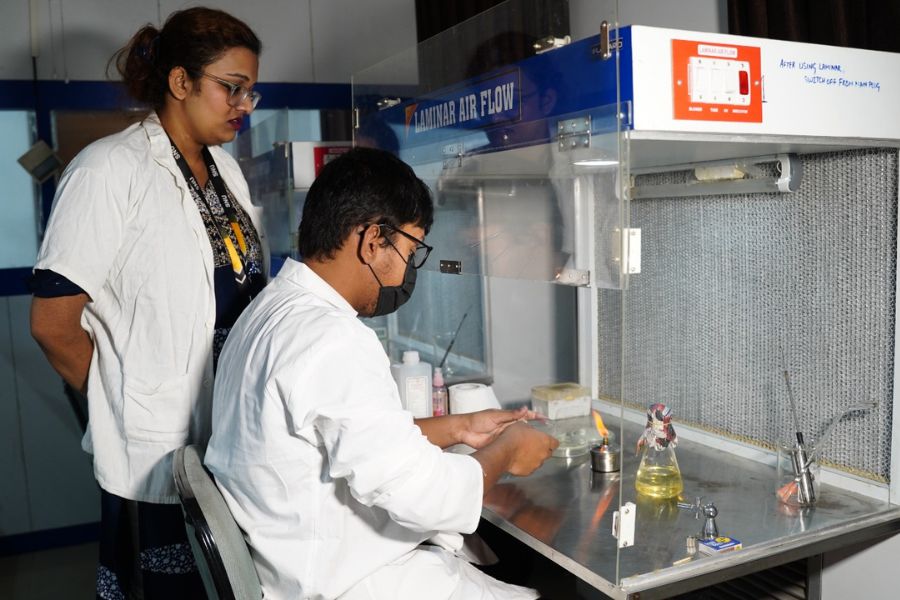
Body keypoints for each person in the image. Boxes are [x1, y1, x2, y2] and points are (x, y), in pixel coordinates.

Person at [205, 147, 559, 599]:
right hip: (352, 583)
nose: (409, 270)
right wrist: (509, 451)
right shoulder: (330, 338)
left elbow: (335, 439)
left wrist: (458, 427)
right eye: (411, 250)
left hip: (301, 564)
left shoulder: (271, 311)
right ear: (373, 241)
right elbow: (426, 497)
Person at [29, 7, 266, 599]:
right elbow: (54, 324)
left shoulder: (228, 174)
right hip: (152, 450)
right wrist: (119, 401)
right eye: (232, 88)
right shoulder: (109, 169)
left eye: (250, 92)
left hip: (232, 436)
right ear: (180, 81)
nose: (243, 105)